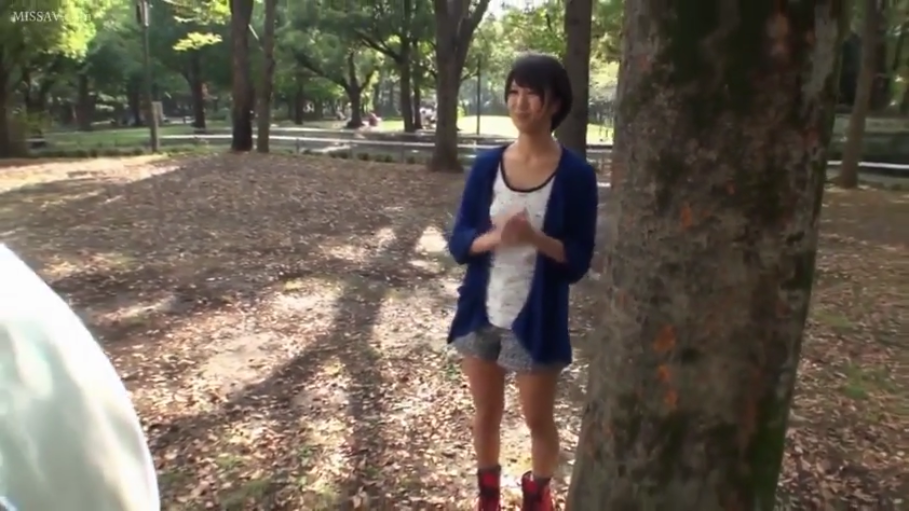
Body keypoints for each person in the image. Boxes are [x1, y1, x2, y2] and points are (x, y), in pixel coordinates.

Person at [446, 54, 598, 511]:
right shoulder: (486, 165)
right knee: (486, 413)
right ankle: (488, 497)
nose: (519, 102)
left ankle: (538, 494)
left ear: (555, 103)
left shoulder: (576, 176)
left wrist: (535, 238)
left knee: (538, 420)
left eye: (531, 94)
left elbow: (577, 261)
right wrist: (495, 238)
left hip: (537, 319)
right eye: (513, 92)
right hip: (481, 312)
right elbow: (459, 241)